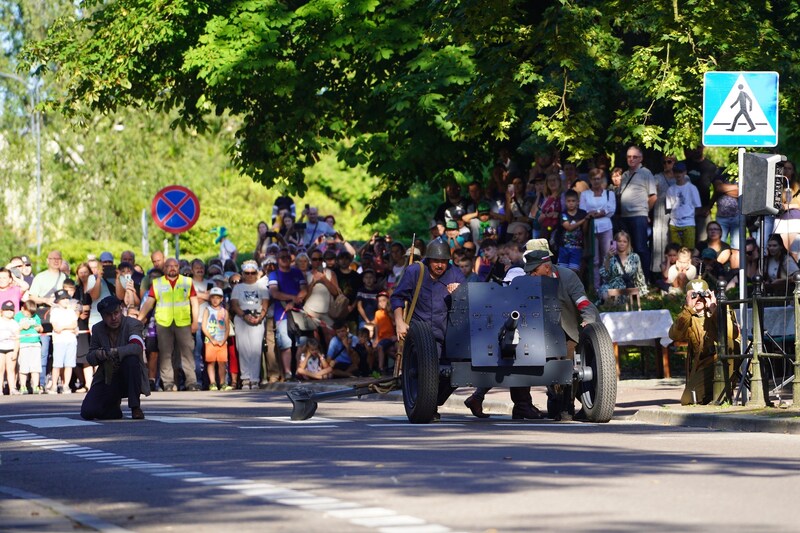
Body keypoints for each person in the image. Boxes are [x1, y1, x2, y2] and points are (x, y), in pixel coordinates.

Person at [391, 241, 465, 420]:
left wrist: (460, 291)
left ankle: (431, 403)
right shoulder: (415, 271)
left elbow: (470, 296)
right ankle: (427, 408)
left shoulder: (455, 273)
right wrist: (399, 322)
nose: (440, 265)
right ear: (428, 259)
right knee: (425, 376)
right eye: (435, 261)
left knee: (452, 374)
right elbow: (397, 297)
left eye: (444, 261)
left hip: (447, 334)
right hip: (421, 336)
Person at [669, 279, 739, 405]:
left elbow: (730, 334)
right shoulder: (687, 316)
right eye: (694, 295)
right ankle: (712, 395)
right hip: (706, 363)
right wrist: (688, 309)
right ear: (687, 298)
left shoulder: (721, 308)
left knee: (728, 343)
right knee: (687, 400)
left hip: (728, 357)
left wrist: (714, 309)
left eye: (702, 295)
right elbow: (674, 335)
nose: (698, 299)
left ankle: (724, 394)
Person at [80, 296, 149, 420]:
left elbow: (137, 347)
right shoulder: (97, 329)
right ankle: (113, 408)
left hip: (129, 375)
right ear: (102, 316)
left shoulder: (133, 324)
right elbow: (90, 357)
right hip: (108, 377)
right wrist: (98, 354)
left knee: (132, 359)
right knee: (88, 412)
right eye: (108, 315)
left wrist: (115, 351)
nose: (113, 318)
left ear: (121, 310)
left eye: (116, 313)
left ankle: (135, 407)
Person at [138, 257, 200, 391]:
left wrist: (195, 321)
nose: (172, 268)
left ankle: (191, 382)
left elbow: (194, 302)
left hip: (183, 322)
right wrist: (139, 318)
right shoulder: (157, 283)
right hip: (164, 323)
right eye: (169, 266)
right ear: (164, 268)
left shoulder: (187, 282)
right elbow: (149, 302)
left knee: (187, 353)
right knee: (165, 354)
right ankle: (168, 383)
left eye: (175, 266)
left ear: (179, 268)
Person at [27, 250, 67, 389]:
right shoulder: (40, 277)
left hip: (60, 317)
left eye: (58, 258)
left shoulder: (64, 277)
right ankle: (41, 382)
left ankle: (59, 382)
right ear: (47, 260)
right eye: (53, 258)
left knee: (59, 351)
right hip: (43, 316)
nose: (56, 261)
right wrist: (45, 300)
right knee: (43, 351)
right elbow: (31, 296)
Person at [268, 248, 308, 380]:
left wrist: (295, 301)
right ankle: (287, 373)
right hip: (282, 313)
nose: (285, 259)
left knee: (301, 344)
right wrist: (292, 298)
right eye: (282, 257)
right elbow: (275, 293)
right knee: (285, 344)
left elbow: (304, 290)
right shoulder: (274, 275)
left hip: (298, 313)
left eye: (287, 257)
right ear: (278, 259)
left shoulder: (297, 273)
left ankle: (299, 371)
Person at [230, 260, 269, 389]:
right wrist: (244, 315)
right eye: (247, 273)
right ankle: (245, 378)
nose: (250, 275)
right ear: (243, 273)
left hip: (257, 316)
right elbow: (234, 304)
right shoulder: (238, 287)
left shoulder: (261, 287)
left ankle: (255, 378)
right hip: (242, 318)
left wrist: (260, 317)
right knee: (243, 348)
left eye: (253, 273)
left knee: (256, 349)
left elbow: (265, 303)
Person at [619, 146, 657, 277]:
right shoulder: (624, 175)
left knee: (641, 248)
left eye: (635, 157)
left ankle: (645, 279)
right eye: (629, 157)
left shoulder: (646, 173)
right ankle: (630, 277)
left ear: (641, 158)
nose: (631, 159)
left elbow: (653, 197)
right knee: (626, 249)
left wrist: (646, 212)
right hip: (624, 217)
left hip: (639, 216)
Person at [580, 168, 616, 292]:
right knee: (594, 259)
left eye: (598, 179)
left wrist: (600, 212)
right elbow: (582, 210)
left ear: (602, 179)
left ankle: (607, 285)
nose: (596, 181)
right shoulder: (585, 194)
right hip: (591, 228)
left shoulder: (609, 194)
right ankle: (596, 287)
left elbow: (611, 209)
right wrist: (594, 213)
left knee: (606, 257)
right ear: (590, 180)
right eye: (594, 179)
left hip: (606, 227)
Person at [599, 230, 649, 301]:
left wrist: (643, 290)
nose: (622, 244)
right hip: (611, 286)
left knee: (623, 297)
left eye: (624, 241)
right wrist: (607, 259)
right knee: (605, 296)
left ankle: (618, 302)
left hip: (626, 287)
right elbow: (604, 275)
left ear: (628, 243)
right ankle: (613, 303)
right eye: (619, 241)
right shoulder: (610, 257)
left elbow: (639, 275)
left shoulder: (634, 257)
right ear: (615, 243)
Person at [49, 289, 79, 394]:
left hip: (71, 340)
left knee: (69, 364)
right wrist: (68, 328)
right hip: (59, 341)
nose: (66, 300)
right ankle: (54, 385)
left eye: (66, 298)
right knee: (57, 364)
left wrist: (63, 327)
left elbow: (74, 325)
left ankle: (66, 385)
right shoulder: (55, 311)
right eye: (63, 299)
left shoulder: (71, 311)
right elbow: (56, 328)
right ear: (58, 301)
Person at [666, 162, 702, 249]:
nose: (678, 174)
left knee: (689, 250)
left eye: (680, 172)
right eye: (676, 172)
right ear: (673, 173)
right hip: (674, 224)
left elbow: (698, 206)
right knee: (675, 251)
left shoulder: (692, 188)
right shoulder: (670, 189)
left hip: (688, 223)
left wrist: (690, 216)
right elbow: (669, 207)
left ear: (685, 172)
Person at [202, 287, 231, 391]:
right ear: (210, 299)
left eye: (218, 298)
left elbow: (227, 327)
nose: (215, 300)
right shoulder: (207, 310)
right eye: (213, 297)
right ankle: (212, 382)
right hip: (210, 341)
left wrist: (223, 340)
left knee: (222, 362)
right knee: (211, 362)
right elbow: (204, 327)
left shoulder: (224, 312)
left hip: (222, 341)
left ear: (222, 299)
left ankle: (223, 382)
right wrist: (211, 339)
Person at [15, 300, 43, 394]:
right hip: (23, 343)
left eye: (31, 314)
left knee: (35, 366)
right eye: (27, 313)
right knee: (23, 366)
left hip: (35, 343)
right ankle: (22, 386)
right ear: (23, 309)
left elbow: (41, 328)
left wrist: (38, 328)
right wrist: (22, 327)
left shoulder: (36, 316)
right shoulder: (18, 316)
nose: (29, 316)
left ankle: (35, 386)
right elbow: (14, 329)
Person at [0, 300, 20, 395]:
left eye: (11, 310)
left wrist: (16, 351)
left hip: (11, 348)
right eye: (6, 310)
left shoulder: (14, 323)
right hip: (0, 348)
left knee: (11, 369)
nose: (9, 312)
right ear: (2, 311)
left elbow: (17, 338)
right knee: (0, 369)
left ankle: (12, 388)